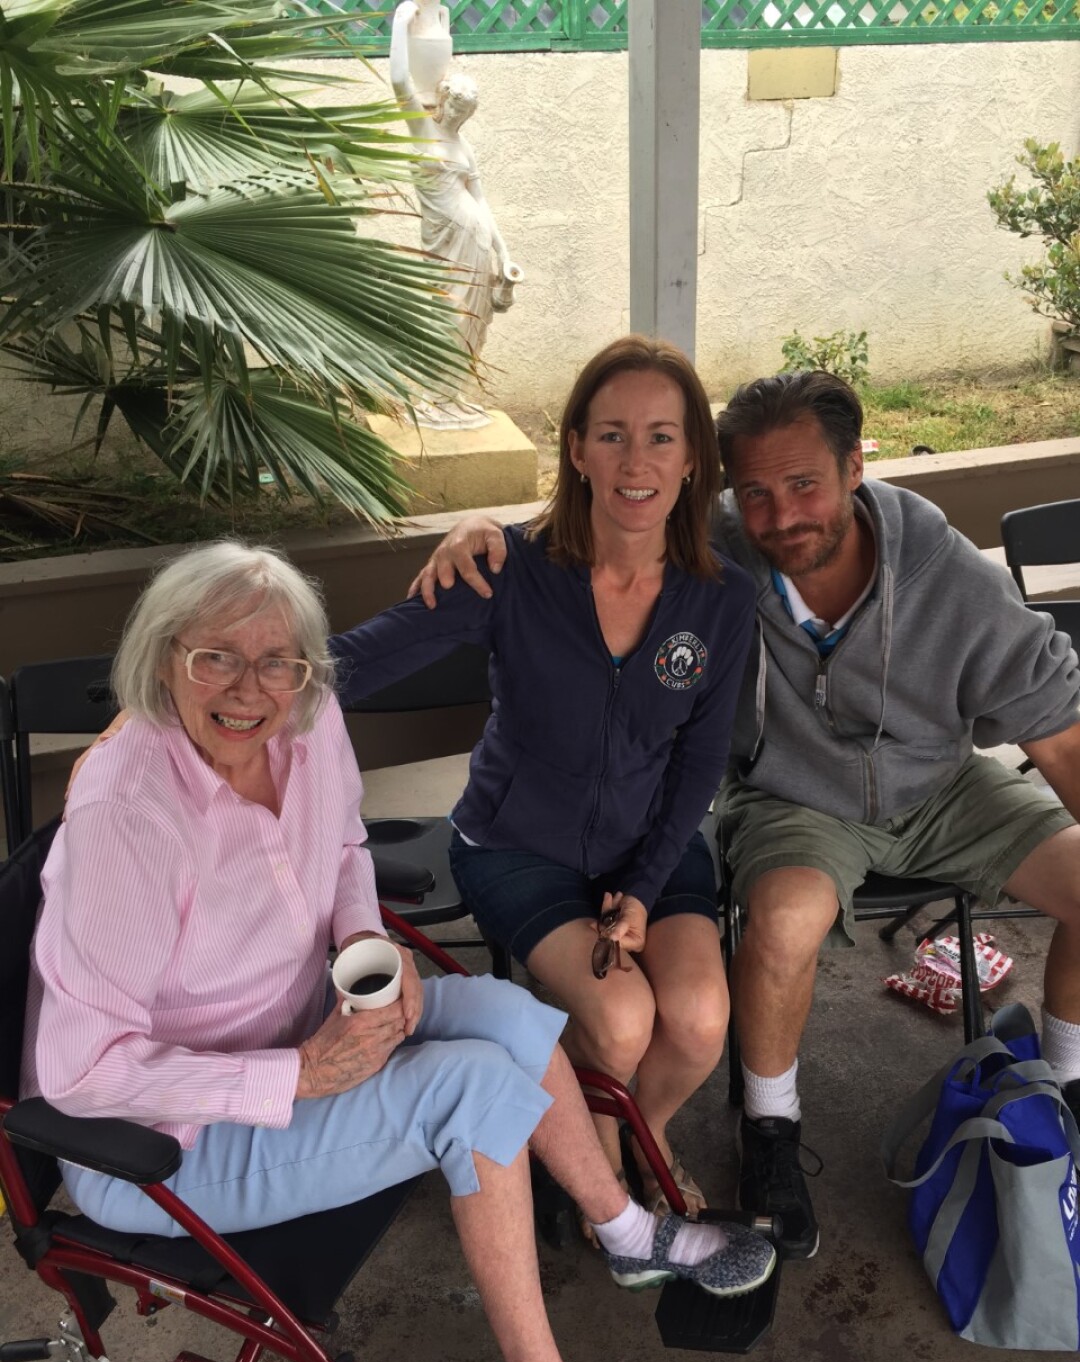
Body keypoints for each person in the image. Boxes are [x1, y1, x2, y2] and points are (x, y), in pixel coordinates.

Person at [22, 541, 774, 1362]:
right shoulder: (127, 817)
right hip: (162, 1144)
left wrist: (369, 943)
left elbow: (342, 847)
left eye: (275, 662)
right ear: (162, 659)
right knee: (473, 1093)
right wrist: (297, 1075)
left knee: (511, 1015)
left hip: (301, 1014)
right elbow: (81, 1075)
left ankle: (623, 1233)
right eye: (213, 656)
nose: (248, 690)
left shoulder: (302, 717)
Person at [404, 367, 1080, 1264]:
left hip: (944, 782)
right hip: (795, 797)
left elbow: (1060, 736)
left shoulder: (943, 573)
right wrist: (486, 530)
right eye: (755, 491)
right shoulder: (721, 550)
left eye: (805, 484)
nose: (781, 516)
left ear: (855, 468)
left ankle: (1062, 1090)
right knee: (784, 920)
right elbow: (607, 523)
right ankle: (769, 1130)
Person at [330, 336, 758, 1226]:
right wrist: (197, 691)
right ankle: (602, 1169)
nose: (635, 461)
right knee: (624, 1021)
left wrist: (643, 888)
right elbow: (354, 663)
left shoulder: (720, 601)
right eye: (611, 435)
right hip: (516, 843)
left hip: (653, 844)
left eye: (661, 438)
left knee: (701, 1018)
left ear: (692, 460)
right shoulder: (507, 572)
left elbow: (698, 762)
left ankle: (651, 1131)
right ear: (575, 448)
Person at [389, 1, 522, 426]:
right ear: (443, 102)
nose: (459, 116)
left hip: (477, 239)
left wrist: (504, 253)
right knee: (445, 314)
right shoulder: (422, 130)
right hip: (444, 240)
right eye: (456, 107)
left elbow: (481, 202)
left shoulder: (465, 147)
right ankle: (432, 397)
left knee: (474, 320)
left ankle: (455, 394)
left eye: (467, 112)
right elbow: (398, 79)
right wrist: (399, 23)